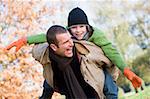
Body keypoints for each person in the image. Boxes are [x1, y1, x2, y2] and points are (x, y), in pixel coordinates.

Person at [5, 7, 142, 98]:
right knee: (51, 74)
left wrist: (126, 70)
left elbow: (111, 51)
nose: (78, 31)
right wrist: (25, 40)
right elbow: (47, 36)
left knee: (109, 86)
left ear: (87, 26)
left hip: (96, 64)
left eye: (81, 26)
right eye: (74, 27)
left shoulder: (96, 34)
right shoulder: (66, 34)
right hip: (76, 64)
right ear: (69, 28)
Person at [31, 25, 117, 99]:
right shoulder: (48, 56)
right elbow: (40, 45)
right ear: (54, 47)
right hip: (68, 91)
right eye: (66, 42)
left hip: (92, 91)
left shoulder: (84, 53)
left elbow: (109, 62)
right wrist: (26, 40)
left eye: (70, 39)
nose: (71, 44)